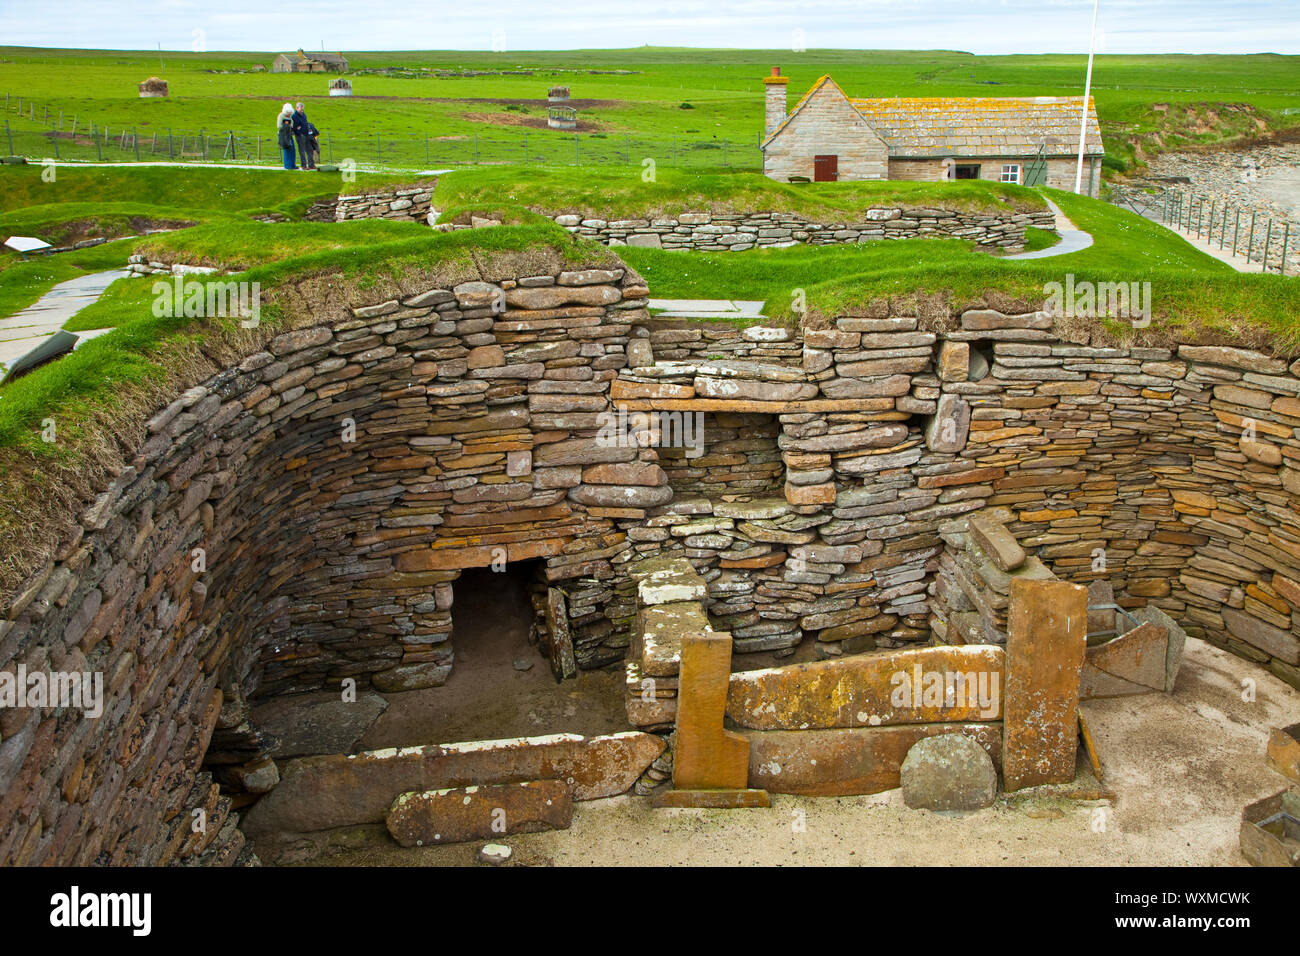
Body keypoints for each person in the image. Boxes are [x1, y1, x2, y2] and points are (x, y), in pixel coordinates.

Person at [292, 102, 315, 170]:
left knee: (309, 149)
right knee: (302, 150)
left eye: (303, 109)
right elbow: (295, 126)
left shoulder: (304, 115)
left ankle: (311, 164)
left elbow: (305, 123)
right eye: (301, 109)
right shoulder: (294, 116)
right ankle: (304, 165)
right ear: (297, 108)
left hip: (306, 134)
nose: (302, 110)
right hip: (299, 135)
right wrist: (299, 132)